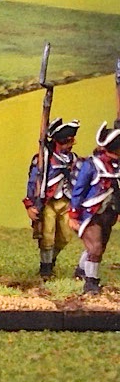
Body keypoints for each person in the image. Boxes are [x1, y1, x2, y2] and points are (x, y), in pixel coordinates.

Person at [24, 117, 79, 279]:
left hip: (66, 201)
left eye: (71, 141)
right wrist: (30, 204)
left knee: (66, 236)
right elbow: (33, 182)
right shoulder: (43, 159)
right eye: (66, 141)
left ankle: (51, 259)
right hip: (48, 203)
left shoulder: (73, 159)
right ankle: (46, 267)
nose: (69, 145)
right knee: (47, 235)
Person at [69, 123, 120, 295]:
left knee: (99, 246)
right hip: (90, 214)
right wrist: (73, 214)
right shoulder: (91, 165)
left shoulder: (117, 166)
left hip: (108, 213)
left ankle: (81, 270)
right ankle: (91, 282)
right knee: (95, 248)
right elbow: (79, 190)